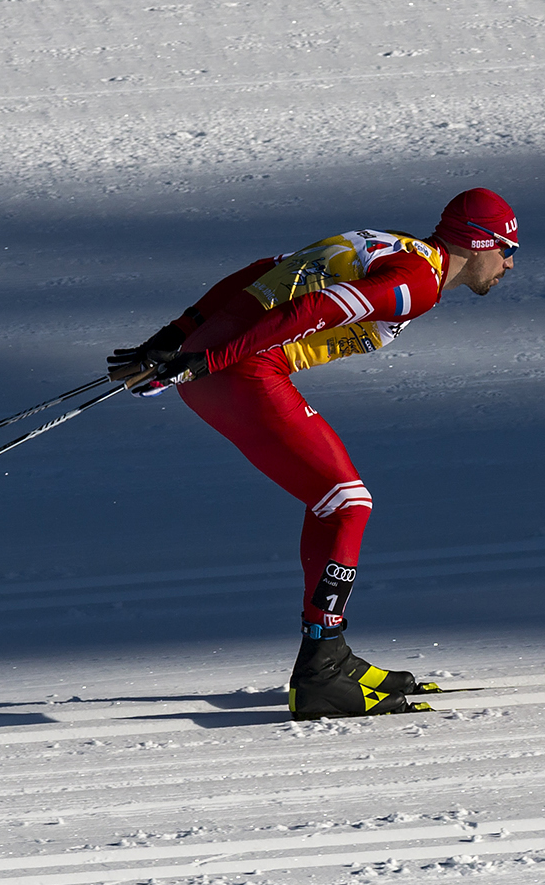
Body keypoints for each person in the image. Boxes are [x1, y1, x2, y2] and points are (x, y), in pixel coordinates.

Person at [106, 189, 519, 719]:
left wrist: (173, 340)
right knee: (349, 504)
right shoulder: (417, 283)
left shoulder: (391, 244)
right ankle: (320, 671)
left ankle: (332, 655)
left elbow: (264, 271)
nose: (509, 263)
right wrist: (207, 356)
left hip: (218, 372)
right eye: (508, 249)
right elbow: (317, 307)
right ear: (480, 243)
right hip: (241, 373)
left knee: (333, 503)